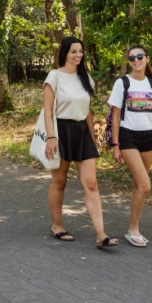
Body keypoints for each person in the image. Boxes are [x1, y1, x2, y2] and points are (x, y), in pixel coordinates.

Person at [44, 37, 118, 249]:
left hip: (82, 132)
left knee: (91, 183)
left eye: (81, 52)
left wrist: (93, 138)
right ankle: (57, 226)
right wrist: (51, 138)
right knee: (60, 182)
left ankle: (101, 235)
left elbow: (87, 111)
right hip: (61, 131)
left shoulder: (86, 78)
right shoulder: (54, 76)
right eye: (73, 51)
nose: (78, 55)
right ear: (65, 53)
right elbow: (48, 111)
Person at [108, 45, 152, 247]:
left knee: (139, 185)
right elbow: (116, 115)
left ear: (147, 59)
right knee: (145, 185)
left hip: (147, 138)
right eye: (132, 58)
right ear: (128, 61)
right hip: (128, 136)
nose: (136, 60)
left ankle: (133, 227)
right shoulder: (122, 82)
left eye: (140, 56)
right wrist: (116, 144)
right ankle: (133, 229)